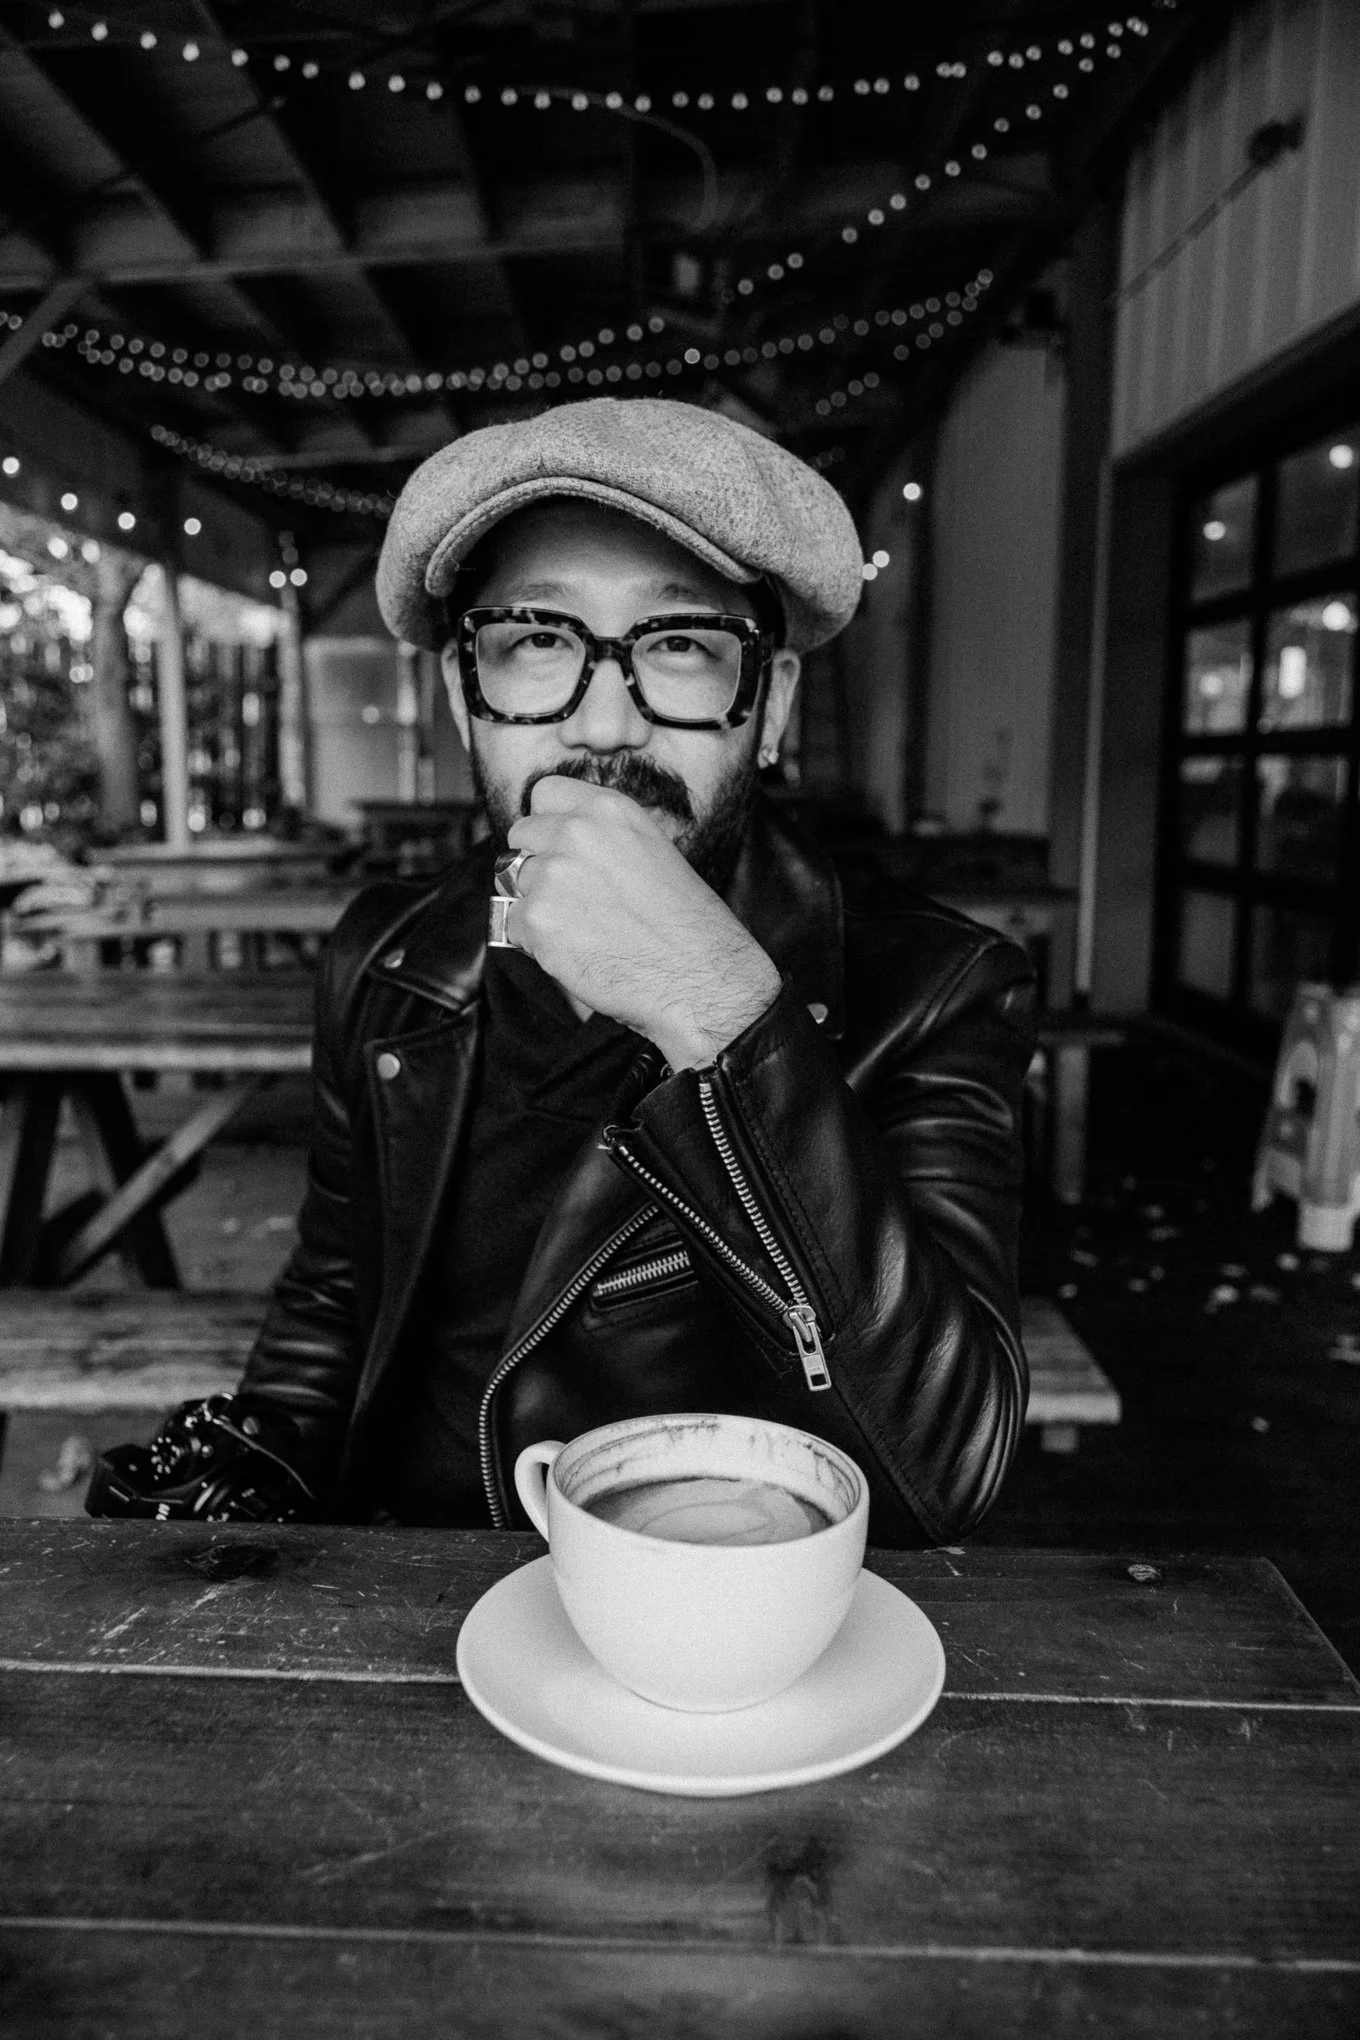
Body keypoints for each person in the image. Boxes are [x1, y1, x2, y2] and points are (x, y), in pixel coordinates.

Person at [87, 398, 1035, 1546]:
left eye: (678, 644)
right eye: (538, 641)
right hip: (409, 1587)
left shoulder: (932, 985)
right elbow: (335, 1301)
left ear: (770, 702)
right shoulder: (390, 958)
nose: (603, 722)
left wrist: (724, 1021)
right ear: (463, 699)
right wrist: (269, 1473)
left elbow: (948, 1469)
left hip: (708, 1611)